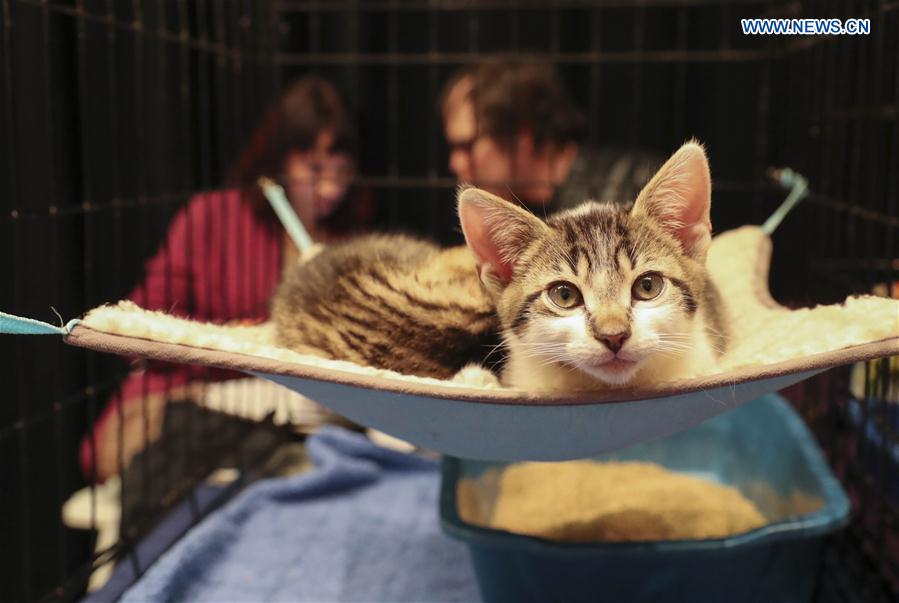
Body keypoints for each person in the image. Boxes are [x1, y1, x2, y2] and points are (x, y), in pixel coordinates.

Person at [82, 76, 370, 482]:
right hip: (190, 396)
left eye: (342, 170)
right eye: (315, 167)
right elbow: (141, 317)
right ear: (280, 160)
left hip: (296, 414)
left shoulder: (349, 241)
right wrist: (235, 341)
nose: (330, 188)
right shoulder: (212, 217)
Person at [440, 55, 660, 211]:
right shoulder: (514, 213)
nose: (454, 163)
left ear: (522, 138)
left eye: (467, 146)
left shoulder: (637, 185)